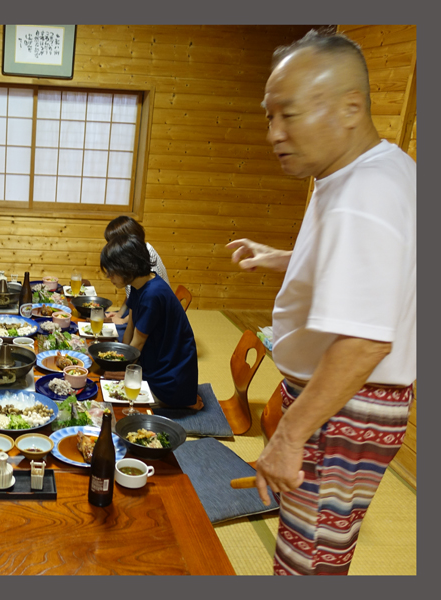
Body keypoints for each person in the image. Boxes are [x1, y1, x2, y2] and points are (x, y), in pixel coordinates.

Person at [226, 30, 415, 576]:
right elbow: (372, 269)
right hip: (340, 402)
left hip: (343, 404)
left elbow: (364, 341)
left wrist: (289, 435)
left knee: (308, 563)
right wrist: (284, 257)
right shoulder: (371, 169)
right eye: (269, 116)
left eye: (288, 115)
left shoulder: (364, 195)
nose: (274, 134)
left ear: (351, 106)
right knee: (314, 549)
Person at [100, 234, 200, 409]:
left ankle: (181, 402)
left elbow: (138, 343)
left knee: (111, 401)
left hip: (169, 377)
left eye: (112, 271)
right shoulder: (140, 284)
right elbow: (130, 327)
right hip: (154, 361)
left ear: (126, 267)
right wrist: (121, 363)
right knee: (106, 376)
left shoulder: (153, 294)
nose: (109, 276)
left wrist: (124, 373)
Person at [103, 216, 170, 343]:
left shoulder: (144, 262)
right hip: (139, 308)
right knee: (105, 322)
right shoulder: (133, 266)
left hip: (154, 316)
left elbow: (148, 305)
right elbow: (132, 294)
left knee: (112, 333)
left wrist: (122, 320)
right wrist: (119, 314)